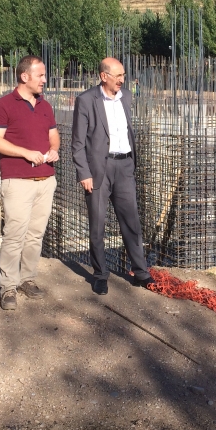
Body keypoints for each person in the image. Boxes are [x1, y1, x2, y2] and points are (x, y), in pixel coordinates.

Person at [72, 57, 153, 295]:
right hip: (99, 170)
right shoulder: (86, 100)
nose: (122, 80)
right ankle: (100, 275)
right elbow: (77, 143)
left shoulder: (126, 97)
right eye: (117, 75)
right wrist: (84, 173)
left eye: (123, 75)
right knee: (97, 224)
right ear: (103, 76)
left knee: (131, 221)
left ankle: (140, 272)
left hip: (125, 165)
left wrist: (131, 163)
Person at [0, 56, 59, 310]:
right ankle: (8, 286)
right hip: (17, 181)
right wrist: (25, 153)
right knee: (15, 235)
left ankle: (27, 279)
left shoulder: (45, 106)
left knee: (35, 235)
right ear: (24, 76)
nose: (45, 79)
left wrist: (54, 150)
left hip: (45, 180)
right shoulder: (4, 105)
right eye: (40, 75)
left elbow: (54, 136)